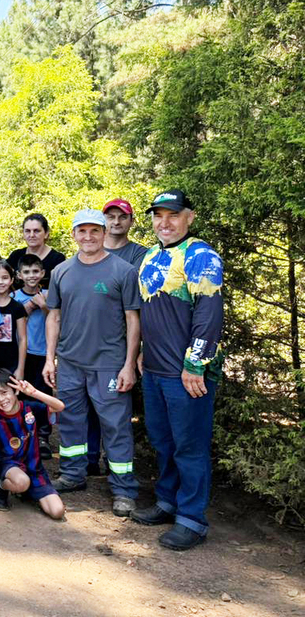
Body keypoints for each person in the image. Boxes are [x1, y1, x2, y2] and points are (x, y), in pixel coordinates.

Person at [132, 190, 224, 551]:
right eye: (158, 216)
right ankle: (168, 502)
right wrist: (140, 351)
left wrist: (195, 364)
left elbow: (208, 315)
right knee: (163, 441)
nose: (164, 223)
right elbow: (149, 312)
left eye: (172, 215)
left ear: (190, 217)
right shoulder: (152, 255)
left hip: (187, 374)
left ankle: (192, 519)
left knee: (190, 446)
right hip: (154, 369)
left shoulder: (201, 255)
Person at [43, 209, 141, 518]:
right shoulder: (61, 272)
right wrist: (50, 358)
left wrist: (128, 365)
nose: (88, 237)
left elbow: (133, 319)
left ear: (103, 233)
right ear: (73, 234)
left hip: (109, 365)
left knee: (116, 427)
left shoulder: (123, 271)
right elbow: (54, 316)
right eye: (82, 231)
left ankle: (123, 489)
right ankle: (73, 474)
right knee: (70, 422)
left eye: (94, 231)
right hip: (70, 363)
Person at [0, 369, 65, 519]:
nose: (1, 399)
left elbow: (59, 406)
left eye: (5, 392)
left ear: (15, 391)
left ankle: (28, 491)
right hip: (9, 466)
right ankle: (0, 486)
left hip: (34, 468)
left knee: (57, 512)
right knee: (22, 482)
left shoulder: (30, 409)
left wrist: (34, 392)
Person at [14, 254, 53, 459]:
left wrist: (45, 305)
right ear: (19, 275)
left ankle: (42, 436)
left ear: (42, 273)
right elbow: (12, 324)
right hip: (22, 354)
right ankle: (21, 433)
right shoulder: (15, 297)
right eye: (27, 272)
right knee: (22, 396)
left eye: (35, 271)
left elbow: (56, 320)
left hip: (42, 354)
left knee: (42, 395)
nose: (31, 276)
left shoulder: (49, 295)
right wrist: (29, 306)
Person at [0, 260, 27, 379]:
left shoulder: (17, 307)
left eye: (4, 278)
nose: (0, 282)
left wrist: (20, 368)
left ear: (11, 280)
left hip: (10, 363)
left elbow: (22, 339)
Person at [6, 213, 66, 289]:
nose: (31, 235)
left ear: (46, 233)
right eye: (27, 231)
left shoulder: (57, 260)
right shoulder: (15, 256)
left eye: (36, 231)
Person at [103, 198, 149, 268]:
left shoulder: (140, 253)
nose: (116, 222)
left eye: (123, 217)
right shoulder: (90, 250)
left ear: (132, 221)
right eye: (111, 217)